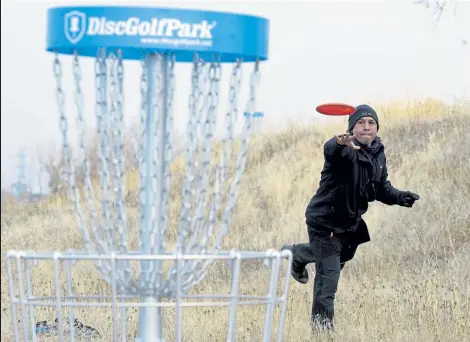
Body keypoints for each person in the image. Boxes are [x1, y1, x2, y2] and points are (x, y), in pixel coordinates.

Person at [281, 104, 420, 331]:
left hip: (348, 226)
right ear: (352, 128)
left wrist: (400, 197)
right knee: (329, 279)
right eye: (361, 123)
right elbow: (330, 151)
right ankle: (322, 332)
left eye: (371, 123)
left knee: (342, 256)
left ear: (377, 127)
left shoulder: (378, 153)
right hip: (325, 221)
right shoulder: (345, 149)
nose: (366, 127)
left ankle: (297, 254)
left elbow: (381, 188)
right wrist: (339, 142)